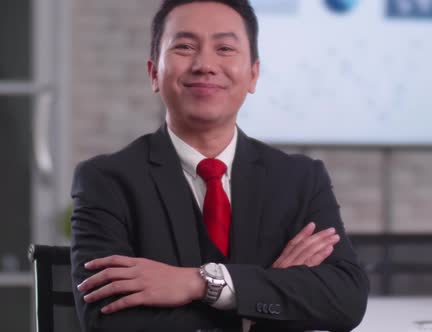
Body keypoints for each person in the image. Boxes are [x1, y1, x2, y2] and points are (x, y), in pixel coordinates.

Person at [70, 0, 369, 331]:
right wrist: (255, 306)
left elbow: (346, 300)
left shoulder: (300, 179)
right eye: (184, 47)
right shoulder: (107, 181)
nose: (205, 64)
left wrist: (199, 283)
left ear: (253, 75)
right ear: (154, 72)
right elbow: (108, 322)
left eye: (224, 48)